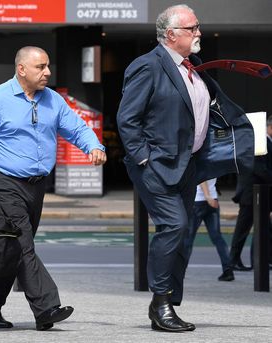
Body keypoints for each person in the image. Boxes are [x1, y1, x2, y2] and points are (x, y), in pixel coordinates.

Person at [116, 4, 253, 332]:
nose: (198, 33)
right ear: (171, 34)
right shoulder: (148, 66)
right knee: (174, 226)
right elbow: (127, 119)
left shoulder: (191, 68)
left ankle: (169, 301)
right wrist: (144, 159)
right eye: (192, 28)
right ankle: (160, 303)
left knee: (183, 231)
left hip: (188, 166)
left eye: (197, 27)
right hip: (156, 166)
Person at [0, 46, 106, 331]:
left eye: (48, 66)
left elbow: (76, 128)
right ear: (22, 69)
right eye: (40, 67)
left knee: (10, 249)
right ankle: (46, 307)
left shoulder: (53, 100)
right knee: (23, 243)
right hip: (2, 182)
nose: (47, 72)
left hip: (36, 187)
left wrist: (94, 146)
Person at [229, 116, 272, 270]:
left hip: (258, 194)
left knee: (262, 229)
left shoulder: (263, 142)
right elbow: (259, 169)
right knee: (243, 230)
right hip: (251, 194)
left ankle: (259, 261)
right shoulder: (258, 143)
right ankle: (233, 261)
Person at [184, 178, 234, 281]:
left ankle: (180, 270)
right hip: (213, 199)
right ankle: (228, 270)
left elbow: (202, 178)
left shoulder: (199, 161)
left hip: (198, 201)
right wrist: (210, 197)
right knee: (217, 237)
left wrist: (207, 196)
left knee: (188, 239)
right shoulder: (215, 162)